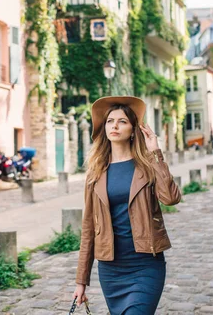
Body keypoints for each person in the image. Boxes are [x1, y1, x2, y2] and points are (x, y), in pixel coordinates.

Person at [72, 96, 181, 314]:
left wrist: (155, 153)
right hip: (111, 269)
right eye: (110, 121)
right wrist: (81, 281)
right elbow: (88, 230)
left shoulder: (147, 166)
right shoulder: (95, 173)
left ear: (133, 130)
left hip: (145, 264)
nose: (115, 125)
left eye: (122, 121)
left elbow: (170, 198)